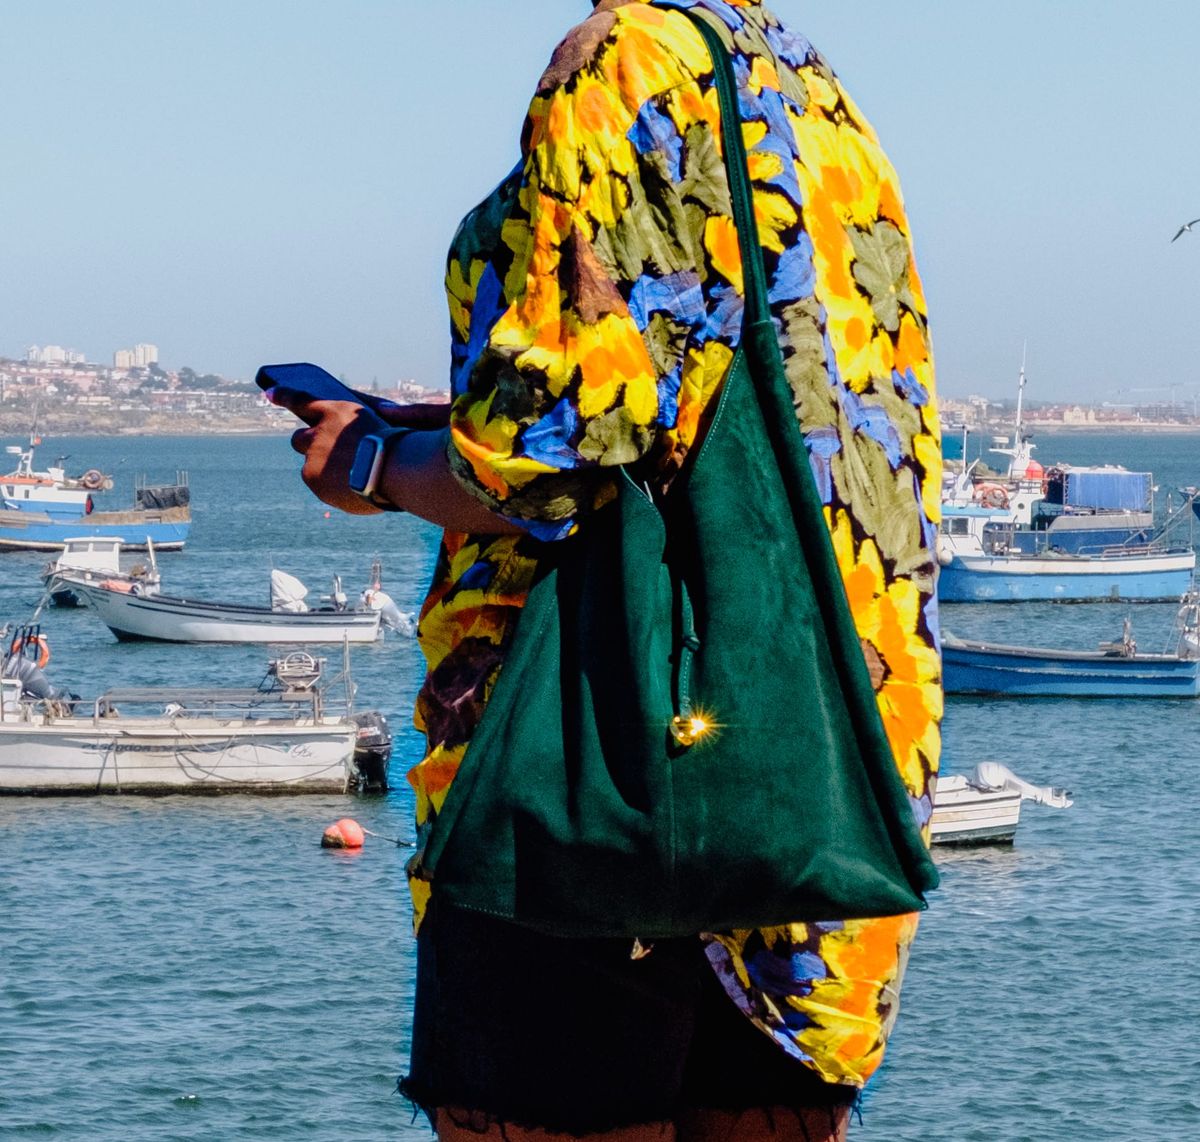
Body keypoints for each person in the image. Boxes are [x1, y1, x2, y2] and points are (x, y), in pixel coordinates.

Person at [271, 1, 941, 1138]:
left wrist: (375, 464)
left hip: (594, 759)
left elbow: (555, 452)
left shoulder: (620, 62)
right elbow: (711, 400)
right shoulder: (809, 88)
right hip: (817, 757)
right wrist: (457, 424)